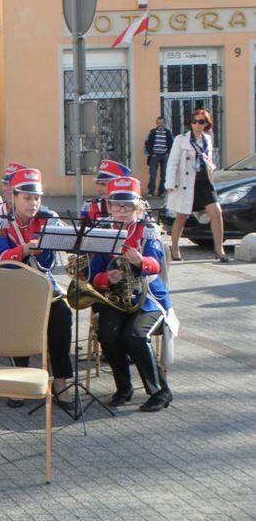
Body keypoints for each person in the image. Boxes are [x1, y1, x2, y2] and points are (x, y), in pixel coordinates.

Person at [0, 168, 75, 413]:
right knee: (18, 317)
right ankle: (20, 380)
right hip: (12, 286)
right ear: (13, 197)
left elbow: (58, 253)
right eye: (27, 198)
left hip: (42, 287)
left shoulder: (48, 219)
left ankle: (60, 381)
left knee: (62, 315)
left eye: (37, 198)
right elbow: (0, 255)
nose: (33, 203)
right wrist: (24, 249)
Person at [89, 176, 173, 412]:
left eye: (128, 205)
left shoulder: (148, 230)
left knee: (134, 336)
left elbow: (156, 264)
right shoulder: (102, 230)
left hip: (149, 299)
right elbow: (92, 274)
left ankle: (160, 391)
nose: (122, 210)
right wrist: (106, 279)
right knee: (107, 333)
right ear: (109, 206)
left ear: (137, 206)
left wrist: (141, 261)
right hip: (116, 298)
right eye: (116, 205)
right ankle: (124, 388)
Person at [166, 108, 227, 262]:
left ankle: (219, 250)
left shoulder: (207, 139)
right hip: (187, 182)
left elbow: (208, 161)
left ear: (206, 124)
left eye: (201, 121)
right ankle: (174, 247)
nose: (197, 124)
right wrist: (170, 182)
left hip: (205, 182)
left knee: (217, 212)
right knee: (182, 216)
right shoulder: (181, 139)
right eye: (194, 121)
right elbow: (173, 162)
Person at [144, 117, 174, 197]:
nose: (160, 124)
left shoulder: (168, 133)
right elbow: (147, 143)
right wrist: (151, 153)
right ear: (156, 123)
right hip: (154, 156)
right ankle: (151, 191)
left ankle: (161, 192)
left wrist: (168, 153)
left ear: (164, 123)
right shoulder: (153, 132)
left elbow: (172, 144)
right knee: (153, 174)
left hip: (164, 156)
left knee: (164, 175)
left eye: (162, 123)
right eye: (159, 123)